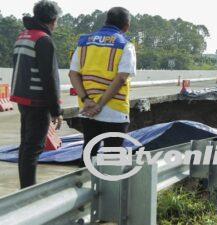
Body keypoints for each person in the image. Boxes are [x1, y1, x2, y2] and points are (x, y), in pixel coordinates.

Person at [68, 7, 136, 166]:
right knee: (113, 158)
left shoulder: (84, 42)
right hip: (114, 111)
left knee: (88, 153)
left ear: (106, 21)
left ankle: (81, 187)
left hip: (88, 109)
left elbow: (73, 74)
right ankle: (108, 190)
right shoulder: (126, 45)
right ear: (126, 26)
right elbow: (120, 79)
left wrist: (87, 100)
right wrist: (100, 105)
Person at [10, 0, 63, 188]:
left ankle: (26, 186)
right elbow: (49, 78)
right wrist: (56, 109)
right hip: (37, 101)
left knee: (26, 146)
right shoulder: (43, 40)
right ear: (53, 20)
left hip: (22, 98)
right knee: (33, 148)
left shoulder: (24, 35)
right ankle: (28, 190)